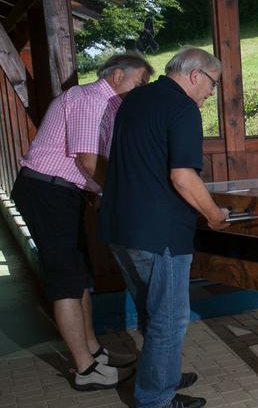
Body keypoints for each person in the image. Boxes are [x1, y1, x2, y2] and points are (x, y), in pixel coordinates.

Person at [98, 47, 230, 408]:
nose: (210, 93)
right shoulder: (182, 108)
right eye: (212, 84)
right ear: (194, 75)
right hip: (160, 231)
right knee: (169, 316)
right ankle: (156, 395)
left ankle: (159, 373)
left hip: (120, 226)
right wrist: (214, 214)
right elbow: (183, 176)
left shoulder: (135, 98)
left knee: (150, 309)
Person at [11, 52, 153, 390]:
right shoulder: (89, 98)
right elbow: (90, 161)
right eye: (140, 82)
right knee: (65, 279)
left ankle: (94, 353)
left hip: (64, 192)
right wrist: (121, 196)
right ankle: (85, 370)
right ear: (117, 75)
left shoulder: (109, 105)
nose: (141, 89)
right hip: (47, 191)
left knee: (80, 275)